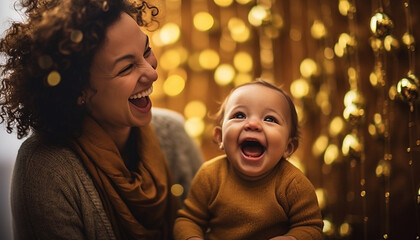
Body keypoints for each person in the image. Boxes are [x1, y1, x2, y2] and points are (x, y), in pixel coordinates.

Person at [0, 0, 203, 239]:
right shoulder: (44, 169)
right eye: (126, 67)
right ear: (78, 91)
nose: (152, 73)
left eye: (146, 50)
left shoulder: (174, 132)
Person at [174, 79, 324, 240]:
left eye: (270, 119)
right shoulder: (210, 175)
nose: (253, 124)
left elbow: (311, 227)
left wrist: (292, 238)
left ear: (289, 147)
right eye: (239, 115)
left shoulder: (293, 184)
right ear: (220, 137)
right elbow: (188, 220)